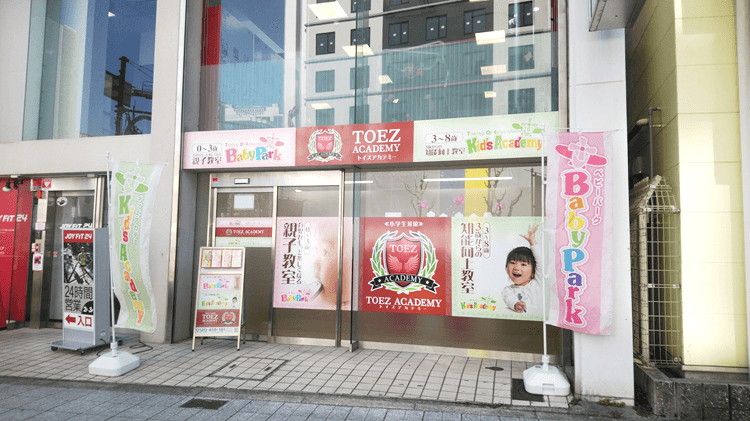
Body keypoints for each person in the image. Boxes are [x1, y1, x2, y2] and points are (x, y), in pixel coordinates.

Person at [501, 224, 542, 315]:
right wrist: (516, 304)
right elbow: (510, 299)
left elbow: (540, 262)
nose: (516, 267)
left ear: (533, 272)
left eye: (523, 264)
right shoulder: (508, 290)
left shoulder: (538, 283)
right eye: (512, 263)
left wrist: (532, 242)